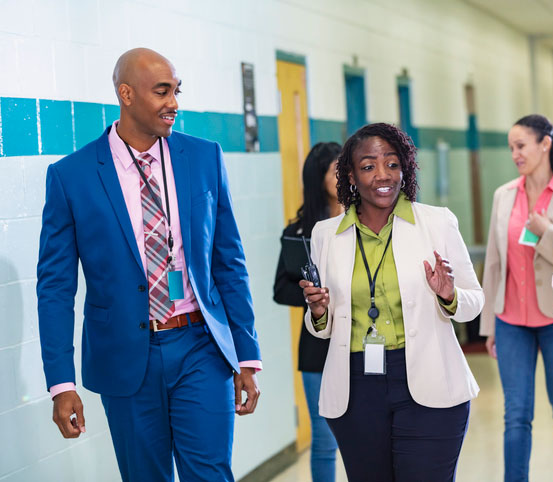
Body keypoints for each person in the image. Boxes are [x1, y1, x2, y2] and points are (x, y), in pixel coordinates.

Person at [36, 48, 261, 482]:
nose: (173, 102)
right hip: (125, 355)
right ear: (126, 94)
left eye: (177, 90)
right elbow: (55, 287)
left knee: (211, 473)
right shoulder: (72, 175)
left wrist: (247, 354)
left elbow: (228, 261)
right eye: (162, 91)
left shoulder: (203, 157)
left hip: (201, 344)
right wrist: (61, 384)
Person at [299, 123, 483, 482]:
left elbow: (474, 301)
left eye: (392, 164)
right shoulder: (326, 234)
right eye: (368, 166)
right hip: (357, 387)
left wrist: (448, 294)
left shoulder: (437, 223)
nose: (382, 175)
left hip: (430, 382)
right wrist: (319, 313)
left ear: (406, 168)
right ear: (350, 175)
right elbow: (322, 328)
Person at [480, 114, 553, 482]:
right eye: (511, 148)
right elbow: (494, 262)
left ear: (545, 144)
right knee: (516, 415)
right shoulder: (504, 195)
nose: (515, 154)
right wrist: (489, 325)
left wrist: (545, 231)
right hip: (510, 321)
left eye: (520, 146)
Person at [274, 142, 342, 481]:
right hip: (317, 347)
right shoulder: (299, 233)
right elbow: (280, 289)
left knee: (371, 433)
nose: (345, 176)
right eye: (335, 170)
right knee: (325, 438)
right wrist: (312, 295)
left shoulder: (364, 223)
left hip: (363, 341)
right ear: (319, 179)